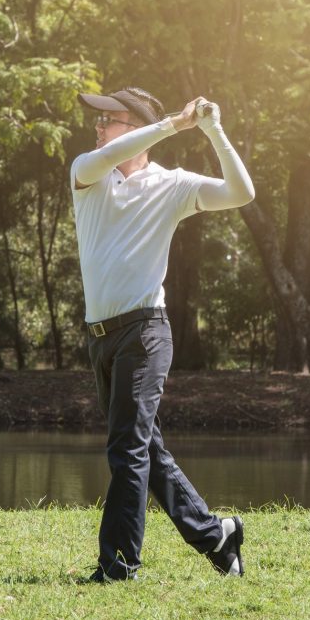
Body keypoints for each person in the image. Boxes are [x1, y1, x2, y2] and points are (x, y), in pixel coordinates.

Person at [70, 86, 255, 582]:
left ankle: (119, 566)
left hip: (146, 332)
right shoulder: (87, 173)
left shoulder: (171, 185)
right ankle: (216, 535)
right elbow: (109, 154)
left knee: (126, 448)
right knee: (146, 449)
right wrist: (176, 123)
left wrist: (212, 129)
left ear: (136, 128)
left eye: (109, 119)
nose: (99, 128)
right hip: (100, 337)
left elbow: (241, 193)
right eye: (100, 121)